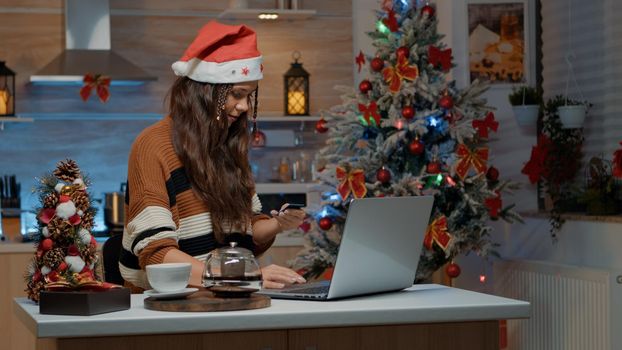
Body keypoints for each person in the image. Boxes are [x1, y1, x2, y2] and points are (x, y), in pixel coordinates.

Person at [119, 21, 306, 291]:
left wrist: (277, 224)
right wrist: (247, 277)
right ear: (205, 92)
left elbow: (248, 229)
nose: (243, 106)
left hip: (226, 294)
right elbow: (157, 254)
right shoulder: (153, 145)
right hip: (167, 305)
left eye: (248, 96)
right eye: (236, 94)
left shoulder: (227, 146)